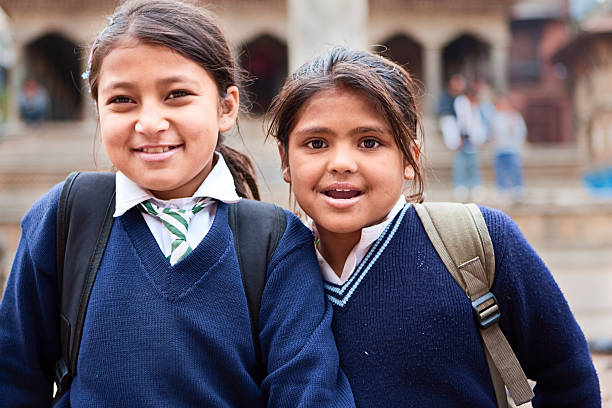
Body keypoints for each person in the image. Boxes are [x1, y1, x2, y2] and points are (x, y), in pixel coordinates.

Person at [0, 1, 355, 407]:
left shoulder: (275, 243)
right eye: (121, 100)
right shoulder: (64, 219)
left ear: (226, 107)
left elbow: (308, 391)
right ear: (97, 107)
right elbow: (13, 375)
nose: (150, 122)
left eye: (177, 95)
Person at [266, 46, 600, 407]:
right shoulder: (269, 265)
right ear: (285, 160)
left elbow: (569, 375)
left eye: (370, 142)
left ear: (409, 158)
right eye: (316, 143)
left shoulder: (479, 241)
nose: (342, 163)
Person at [490, 94, 527, 201]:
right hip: (499, 148)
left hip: (512, 148)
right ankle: (502, 189)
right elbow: (493, 132)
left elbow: (520, 131)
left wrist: (517, 143)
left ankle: (517, 188)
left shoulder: (514, 116)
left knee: (514, 168)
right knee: (501, 170)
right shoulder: (495, 117)